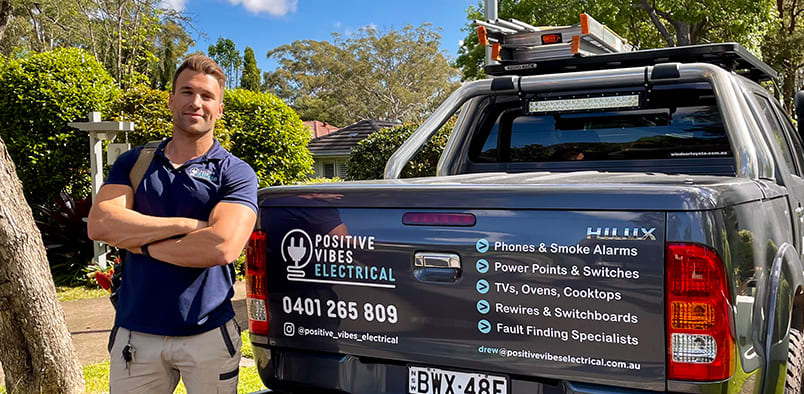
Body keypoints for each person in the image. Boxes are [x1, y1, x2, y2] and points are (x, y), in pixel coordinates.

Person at [87, 55, 258, 393]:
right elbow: (101, 224)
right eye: (187, 92)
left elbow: (222, 246)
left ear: (219, 109)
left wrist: (139, 241)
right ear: (171, 100)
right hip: (136, 335)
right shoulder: (134, 162)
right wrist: (186, 224)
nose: (196, 102)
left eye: (207, 96)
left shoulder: (234, 172)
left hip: (207, 334)